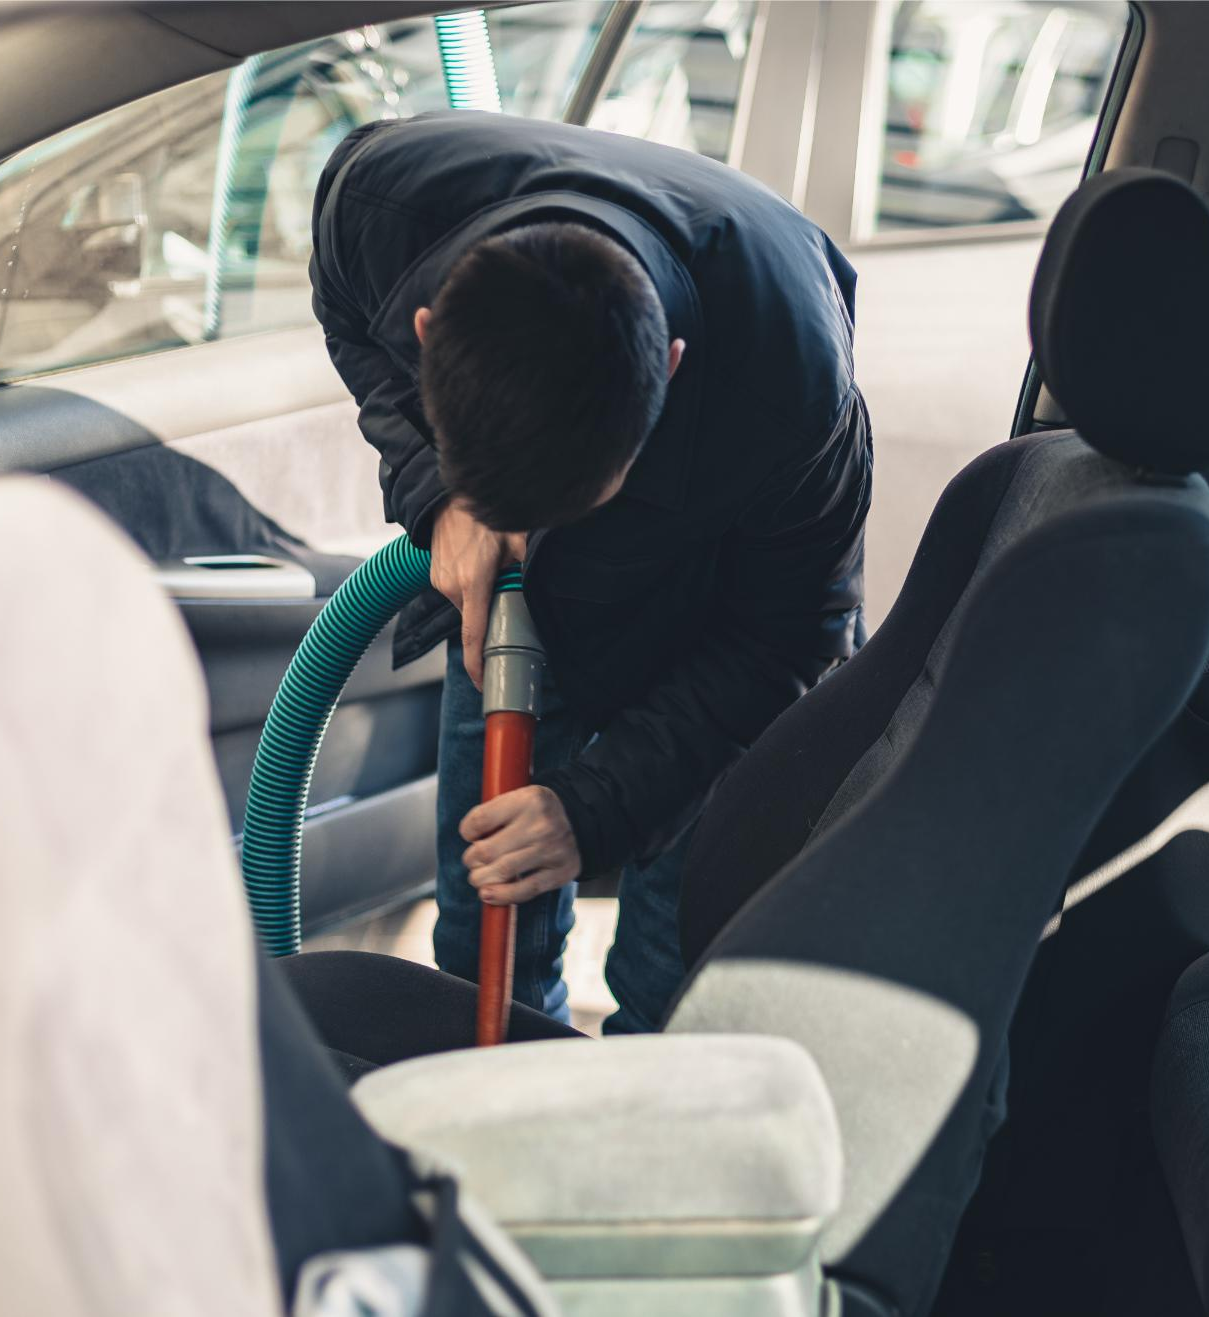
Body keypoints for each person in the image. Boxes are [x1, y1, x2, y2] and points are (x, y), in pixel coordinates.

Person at [309, 113, 870, 1034]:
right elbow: (346, 318)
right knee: (477, 964)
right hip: (514, 613)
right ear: (427, 329)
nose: (529, 530)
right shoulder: (383, 204)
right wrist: (438, 495)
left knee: (672, 984)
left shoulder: (794, 381)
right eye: (507, 508)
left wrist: (594, 809)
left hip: (714, 635)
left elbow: (791, 637)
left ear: (673, 371)